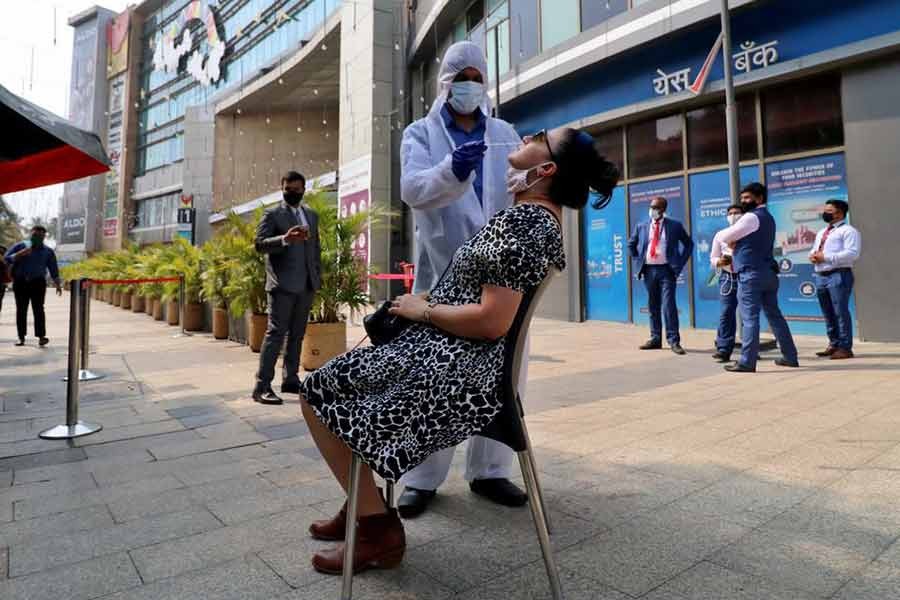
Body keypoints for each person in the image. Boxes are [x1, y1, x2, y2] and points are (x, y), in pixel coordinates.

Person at [297, 126, 619, 576]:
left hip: (460, 372)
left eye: (540, 137)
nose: (526, 134)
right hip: (447, 354)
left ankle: (375, 527)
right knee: (334, 383)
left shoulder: (526, 224)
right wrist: (424, 303)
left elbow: (492, 321)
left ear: (545, 169)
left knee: (316, 392)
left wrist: (424, 312)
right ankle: (363, 503)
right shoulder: (529, 217)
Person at [395, 40, 526, 517]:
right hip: (443, 271)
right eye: (462, 77)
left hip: (501, 275)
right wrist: (452, 169)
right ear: (446, 83)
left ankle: (491, 471)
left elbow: (522, 192)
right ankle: (422, 479)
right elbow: (413, 189)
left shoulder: (507, 133)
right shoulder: (420, 133)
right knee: (434, 377)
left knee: (504, 374)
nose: (470, 85)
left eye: (478, 77)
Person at [252, 171, 321, 405]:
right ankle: (261, 386)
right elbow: (259, 245)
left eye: (296, 189)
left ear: (304, 189)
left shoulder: (311, 215)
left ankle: (290, 379)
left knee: (297, 335)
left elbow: (315, 249)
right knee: (275, 334)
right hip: (281, 285)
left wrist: (317, 278)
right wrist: (284, 239)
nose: (292, 193)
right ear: (281, 188)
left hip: (306, 285)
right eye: (287, 189)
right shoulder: (272, 214)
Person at [712, 182, 798, 372]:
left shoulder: (751, 217)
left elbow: (724, 236)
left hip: (751, 274)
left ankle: (747, 361)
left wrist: (733, 240)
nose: (743, 202)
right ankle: (790, 356)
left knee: (750, 319)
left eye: (747, 198)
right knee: (775, 317)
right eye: (742, 198)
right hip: (767, 273)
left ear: (759, 198)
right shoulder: (768, 217)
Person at [628, 196, 694, 355]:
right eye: (651, 207)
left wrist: (679, 262)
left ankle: (674, 341)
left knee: (669, 305)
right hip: (649, 270)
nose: (652, 210)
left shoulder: (675, 226)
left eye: (656, 207)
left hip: (667, 271)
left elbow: (689, 244)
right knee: (653, 305)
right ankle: (655, 338)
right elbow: (631, 244)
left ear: (663, 209)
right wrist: (638, 260)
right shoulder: (642, 225)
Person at [810, 199, 860, 360]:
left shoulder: (849, 231)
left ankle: (845, 347)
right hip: (821, 276)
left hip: (839, 274)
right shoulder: (822, 232)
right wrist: (813, 255)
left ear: (839, 212)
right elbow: (816, 249)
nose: (824, 213)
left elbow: (853, 253)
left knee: (840, 312)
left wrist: (826, 257)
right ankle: (834, 343)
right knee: (828, 312)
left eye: (829, 210)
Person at [3, 226, 62, 347]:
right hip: (21, 282)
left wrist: (57, 284)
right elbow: (6, 259)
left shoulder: (48, 251)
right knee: (21, 310)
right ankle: (21, 337)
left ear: (44, 237)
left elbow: (53, 269)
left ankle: (41, 336)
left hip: (38, 283)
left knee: (39, 309)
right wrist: (19, 254)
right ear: (31, 235)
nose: (37, 238)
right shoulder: (20, 246)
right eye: (35, 235)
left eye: (40, 236)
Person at [710, 204, 745, 363]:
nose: (733, 215)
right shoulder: (720, 235)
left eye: (736, 213)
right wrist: (719, 261)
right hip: (727, 277)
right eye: (730, 213)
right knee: (726, 312)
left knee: (748, 314)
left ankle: (750, 349)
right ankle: (723, 349)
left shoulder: (749, 233)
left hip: (745, 276)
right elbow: (713, 258)